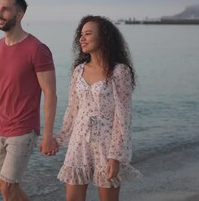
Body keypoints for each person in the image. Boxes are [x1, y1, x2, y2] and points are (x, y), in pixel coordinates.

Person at [0, 0, 59, 201]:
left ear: (20, 15)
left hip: (23, 128)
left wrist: (47, 134)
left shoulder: (37, 49)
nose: (0, 14)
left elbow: (50, 93)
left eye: (6, 9)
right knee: (4, 186)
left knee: (8, 186)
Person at [55, 15, 142, 201]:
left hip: (106, 143)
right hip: (79, 141)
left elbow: (123, 117)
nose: (82, 39)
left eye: (88, 34)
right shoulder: (79, 70)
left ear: (104, 37)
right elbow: (72, 109)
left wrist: (115, 155)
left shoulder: (119, 71)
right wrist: (59, 138)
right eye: (81, 34)